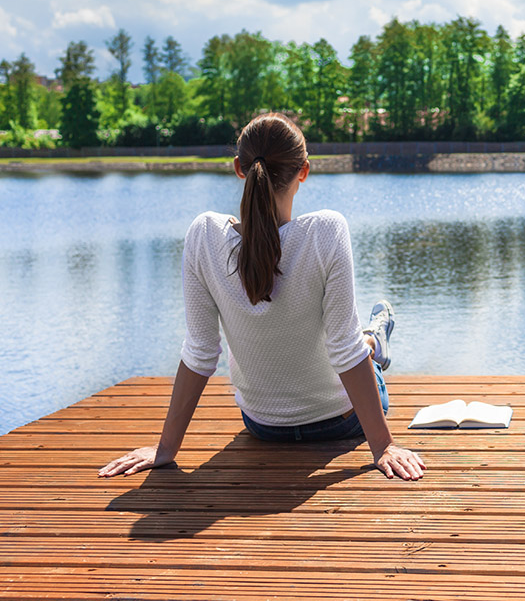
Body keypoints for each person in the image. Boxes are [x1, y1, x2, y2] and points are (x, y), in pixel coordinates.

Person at [98, 112, 426, 481]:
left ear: (239, 167)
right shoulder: (326, 231)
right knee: (360, 350)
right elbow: (343, 350)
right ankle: (375, 341)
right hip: (338, 423)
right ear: (304, 171)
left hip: (263, 426)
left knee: (350, 342)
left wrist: (166, 449)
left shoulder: (204, 236)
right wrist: (383, 446)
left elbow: (201, 351)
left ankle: (371, 339)